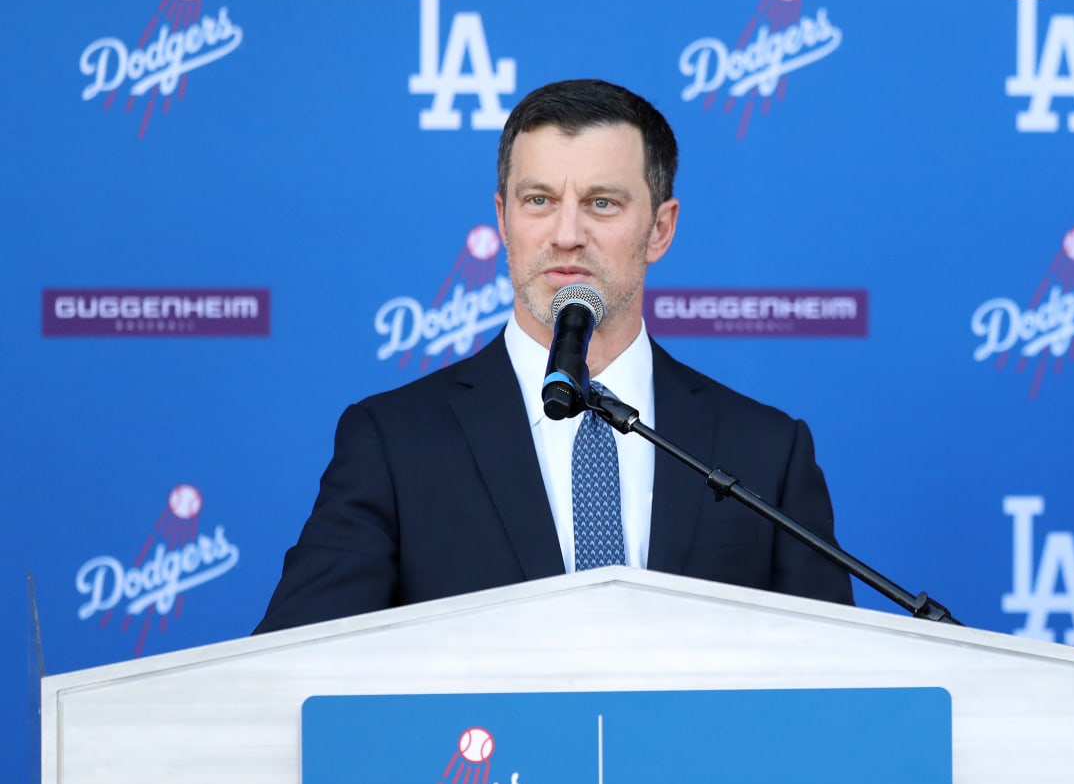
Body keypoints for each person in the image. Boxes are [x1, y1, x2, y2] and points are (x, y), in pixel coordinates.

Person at [257, 79, 851, 632]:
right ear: (503, 219)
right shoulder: (393, 442)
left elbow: (838, 677)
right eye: (539, 200)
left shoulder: (766, 450)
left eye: (602, 203)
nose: (566, 234)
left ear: (660, 229)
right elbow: (292, 662)